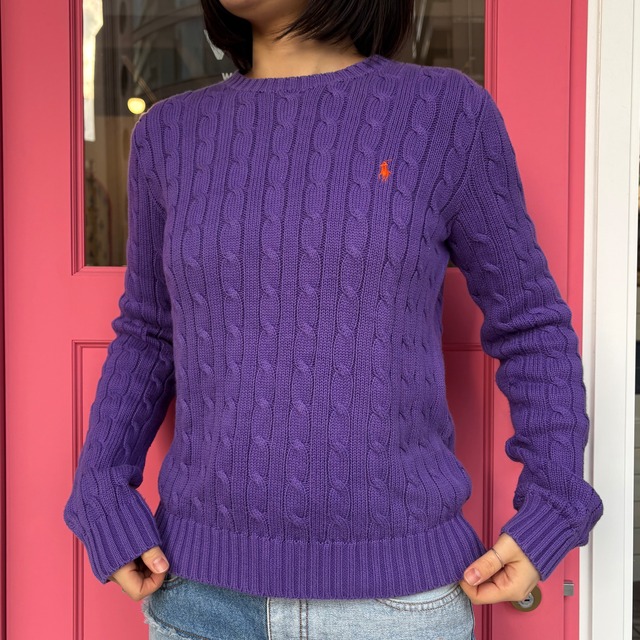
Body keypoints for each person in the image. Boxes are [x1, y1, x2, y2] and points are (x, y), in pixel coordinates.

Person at [62, 0, 604, 638]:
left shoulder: (444, 116)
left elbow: (529, 322)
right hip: (199, 598)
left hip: (397, 606)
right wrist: (100, 486)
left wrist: (554, 504)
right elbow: (150, 333)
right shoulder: (168, 135)